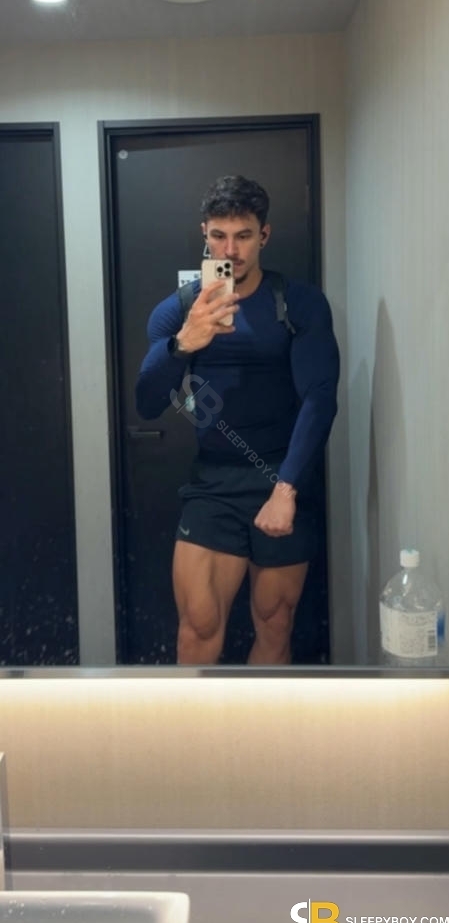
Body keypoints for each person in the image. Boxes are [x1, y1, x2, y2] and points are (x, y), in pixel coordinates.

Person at [136, 175, 340, 665]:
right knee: (198, 628)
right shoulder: (178, 311)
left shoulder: (298, 303)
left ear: (264, 235)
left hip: (283, 476)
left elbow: (320, 398)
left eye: (244, 235)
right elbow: (147, 402)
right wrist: (182, 345)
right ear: (204, 234)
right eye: (220, 236)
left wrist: (286, 488)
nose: (231, 249)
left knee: (275, 624)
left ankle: (258, 723)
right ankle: (196, 721)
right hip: (214, 484)